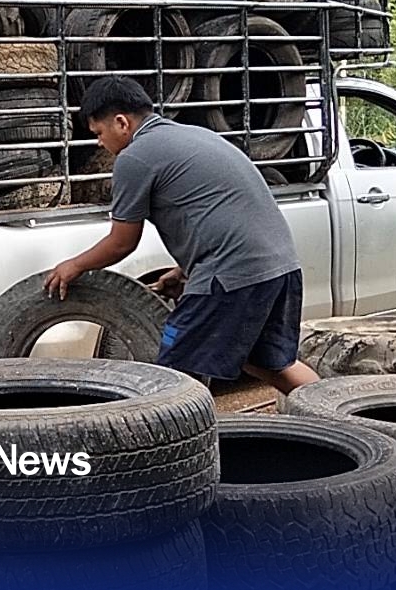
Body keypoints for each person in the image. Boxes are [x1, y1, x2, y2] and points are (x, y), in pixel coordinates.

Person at [43, 77, 321, 394]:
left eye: (99, 133)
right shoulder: (196, 135)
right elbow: (223, 211)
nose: (98, 143)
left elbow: (122, 242)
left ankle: (188, 444)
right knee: (271, 364)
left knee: (175, 376)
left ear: (121, 122)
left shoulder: (135, 157)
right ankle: (341, 419)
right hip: (281, 267)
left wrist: (74, 265)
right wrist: (185, 270)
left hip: (233, 276)